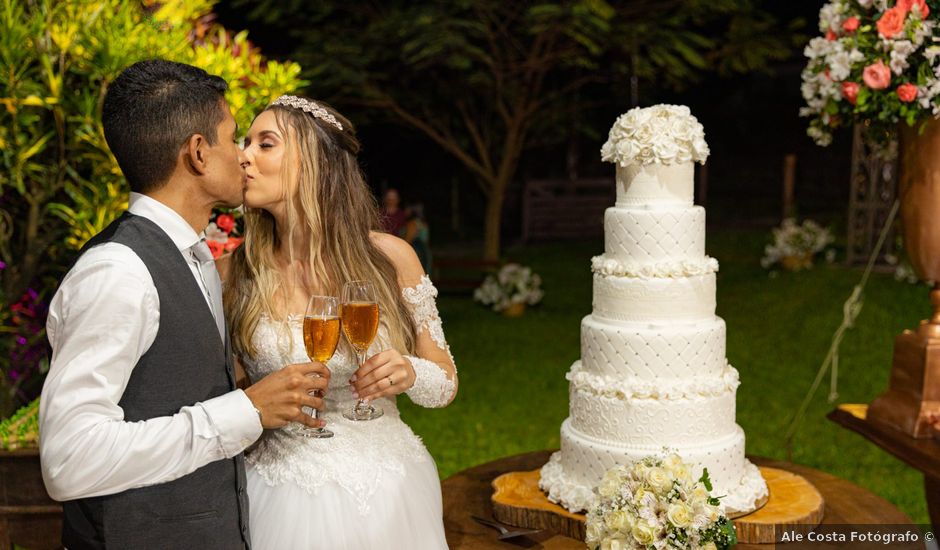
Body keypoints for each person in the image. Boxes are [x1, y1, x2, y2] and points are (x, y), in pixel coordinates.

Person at [38, 60, 330, 549]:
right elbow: (71, 460)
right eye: (233, 137)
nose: (243, 156)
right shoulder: (119, 273)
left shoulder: (196, 259)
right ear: (198, 152)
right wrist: (245, 411)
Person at [220, 95, 458, 549]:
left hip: (391, 492)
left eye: (265, 144)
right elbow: (219, 394)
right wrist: (253, 400)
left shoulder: (390, 258)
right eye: (244, 142)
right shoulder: (232, 274)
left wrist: (409, 372)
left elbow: (445, 383)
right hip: (280, 492)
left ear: (314, 162)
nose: (243, 155)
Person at [402, 202, 432, 274]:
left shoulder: (413, 224)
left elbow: (407, 241)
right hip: (424, 253)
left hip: (417, 254)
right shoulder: (424, 223)